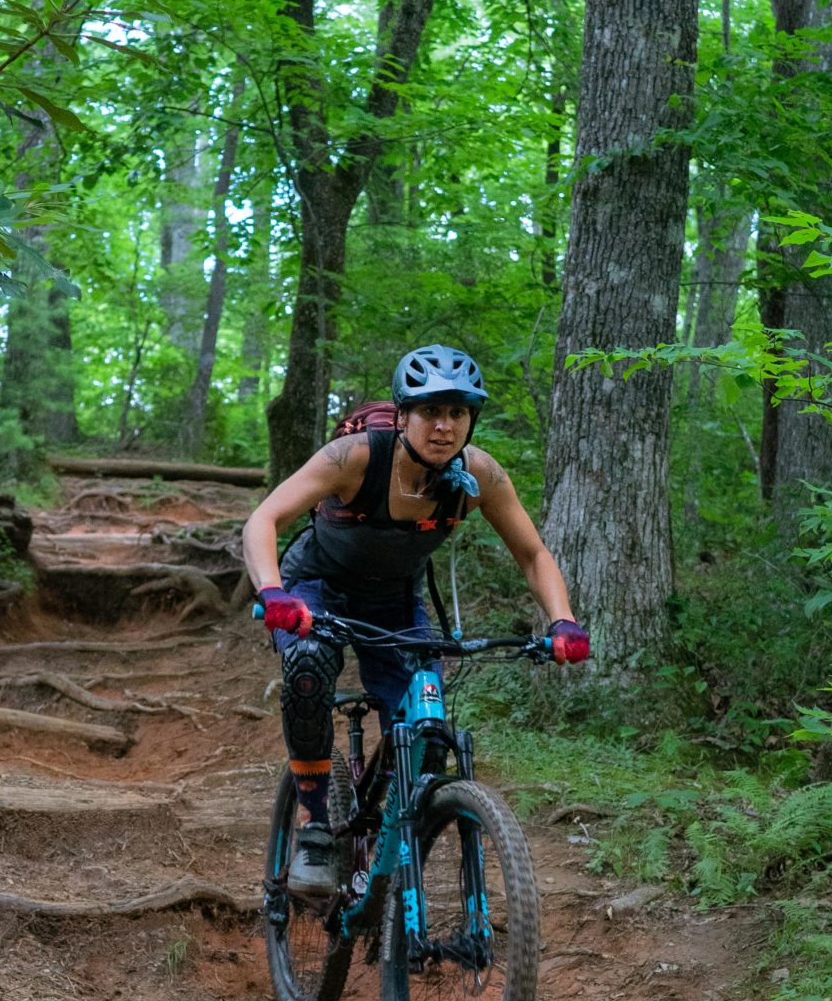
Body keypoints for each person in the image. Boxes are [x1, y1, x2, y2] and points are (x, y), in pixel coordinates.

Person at [242, 345, 589, 895]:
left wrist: (563, 621)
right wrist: (274, 592)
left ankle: (390, 849)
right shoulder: (354, 457)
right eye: (430, 411)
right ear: (403, 416)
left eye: (458, 413)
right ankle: (313, 826)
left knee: (427, 729)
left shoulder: (480, 476)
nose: (444, 426)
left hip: (396, 601)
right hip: (316, 587)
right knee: (308, 669)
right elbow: (265, 517)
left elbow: (533, 554)